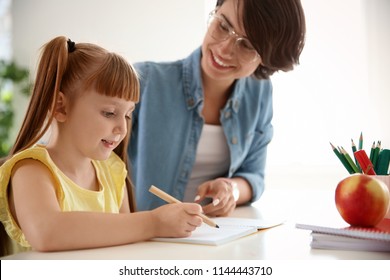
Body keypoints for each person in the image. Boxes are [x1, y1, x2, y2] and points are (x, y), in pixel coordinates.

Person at [0, 36, 202, 257]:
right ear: (60, 106)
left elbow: (126, 245)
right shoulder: (31, 170)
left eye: (127, 115)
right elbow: (47, 232)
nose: (122, 129)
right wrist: (153, 222)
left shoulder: (112, 172)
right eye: (109, 113)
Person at [129, 0, 306, 216]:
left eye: (247, 45)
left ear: (266, 59)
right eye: (223, 25)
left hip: (212, 236)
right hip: (145, 238)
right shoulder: (144, 81)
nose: (224, 49)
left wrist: (231, 190)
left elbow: (254, 176)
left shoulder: (259, 93)